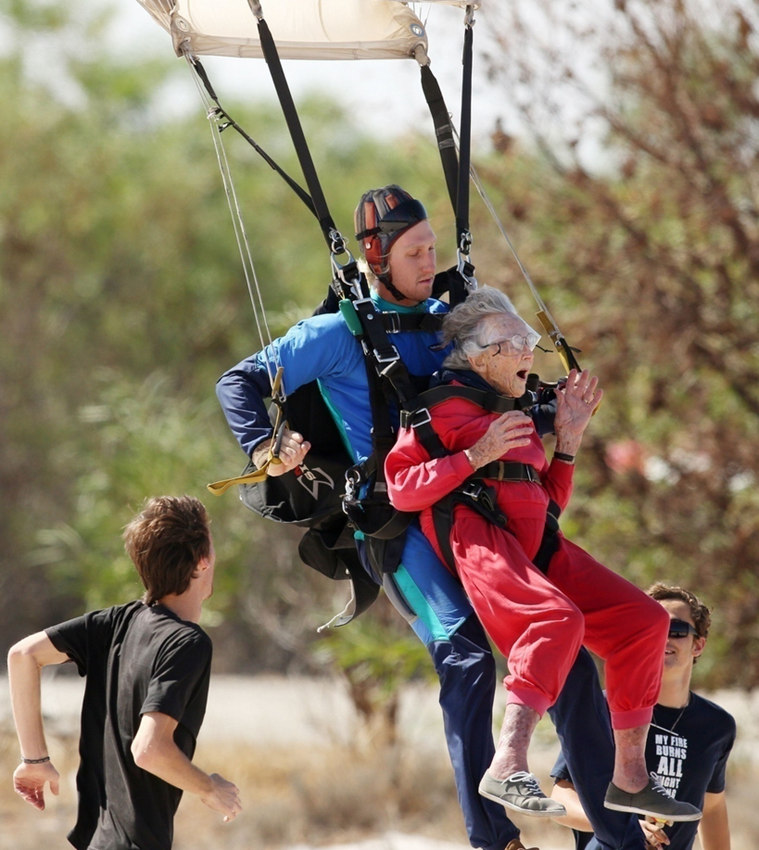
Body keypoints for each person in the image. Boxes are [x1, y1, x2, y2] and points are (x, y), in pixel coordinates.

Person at [216, 185, 658, 850]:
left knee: (563, 644)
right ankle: (494, 838)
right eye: (415, 250)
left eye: (433, 247)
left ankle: (618, 834)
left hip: (479, 514)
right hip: (397, 524)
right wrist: (264, 445)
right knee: (463, 653)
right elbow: (239, 381)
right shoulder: (336, 333)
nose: (431, 260)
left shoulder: (451, 316)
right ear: (374, 255)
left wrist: (552, 417)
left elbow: (500, 389)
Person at [383, 286, 702, 825]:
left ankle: (630, 778)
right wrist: (477, 455)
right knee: (555, 620)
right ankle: (507, 762)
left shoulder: (519, 412)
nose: (528, 352)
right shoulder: (438, 408)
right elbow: (402, 488)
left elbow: (546, 501)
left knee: (644, 622)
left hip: (536, 544)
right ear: (479, 356)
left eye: (528, 339)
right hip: (478, 535)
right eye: (514, 343)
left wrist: (569, 441)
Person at [7, 495, 242, 850]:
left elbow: (22, 655)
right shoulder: (188, 643)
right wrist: (210, 789)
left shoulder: (118, 622)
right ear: (202, 561)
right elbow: (148, 749)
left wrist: (35, 760)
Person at [550, 583, 735, 850]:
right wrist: (618, 825)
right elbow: (560, 796)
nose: (664, 638)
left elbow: (713, 806)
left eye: (677, 631)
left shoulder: (717, 726)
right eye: (652, 628)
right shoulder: (602, 707)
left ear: (698, 645)